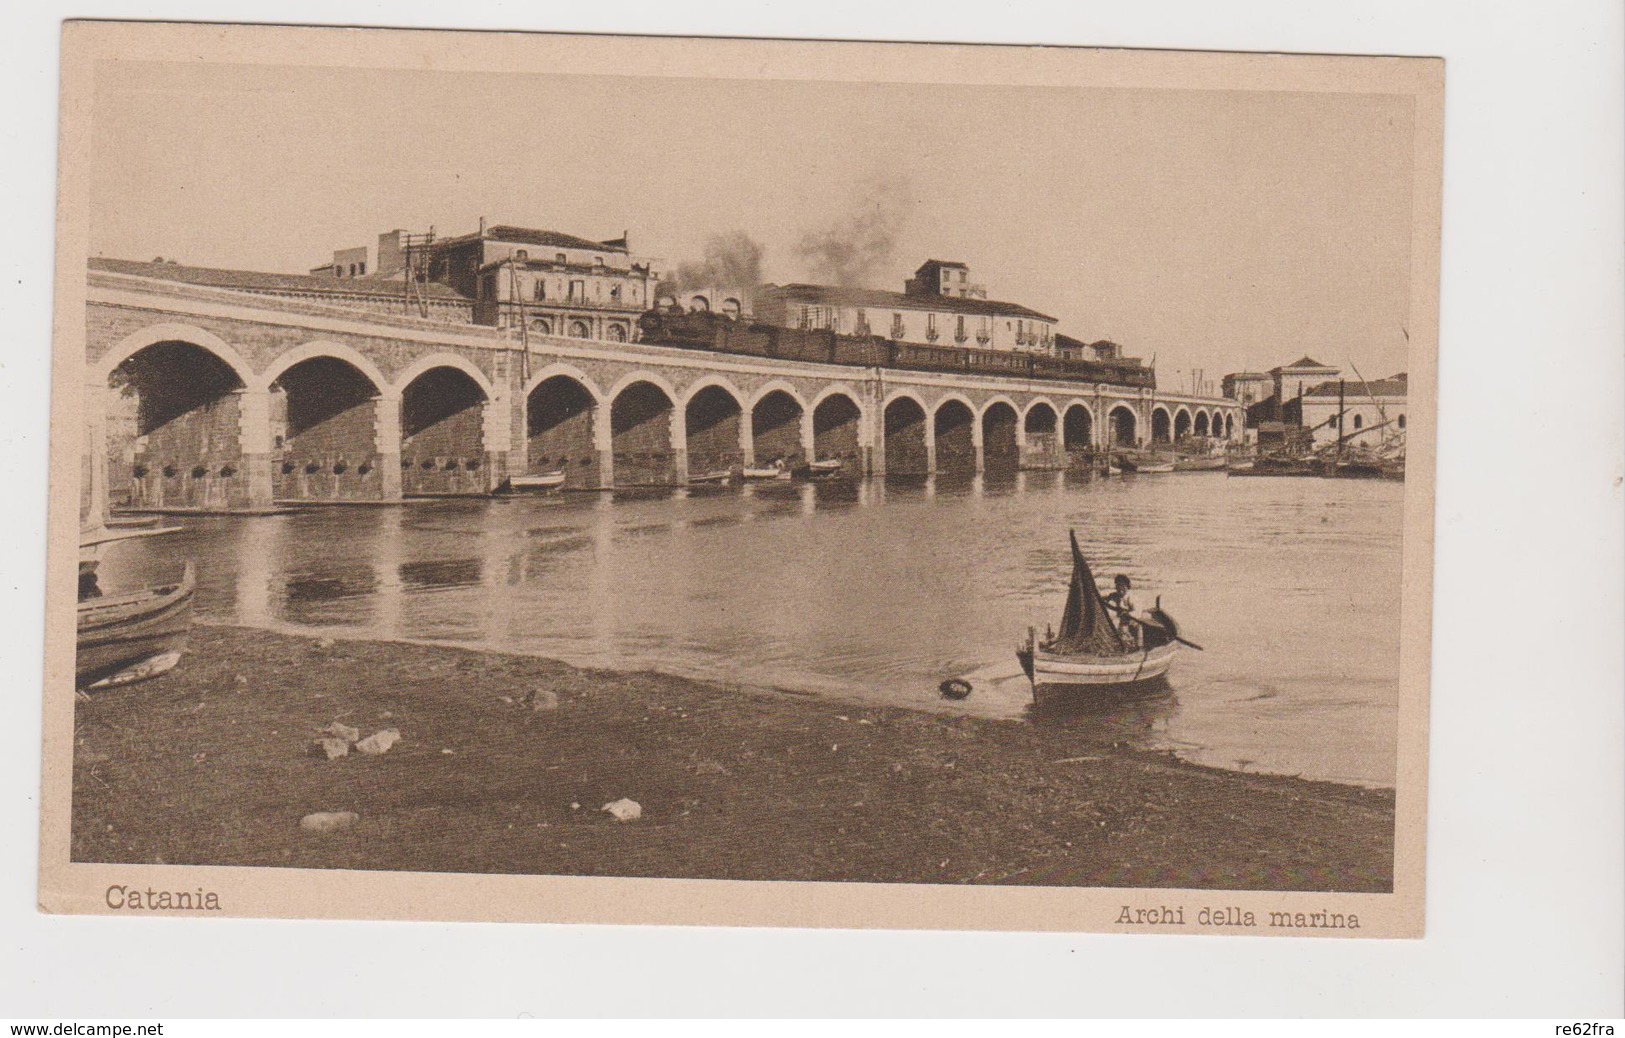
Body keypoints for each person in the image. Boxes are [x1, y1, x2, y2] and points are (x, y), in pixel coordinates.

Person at [1103, 573, 1138, 647]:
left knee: (1123, 635)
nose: (1120, 588)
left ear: (1127, 587)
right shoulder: (1113, 595)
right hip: (1118, 621)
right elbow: (1104, 599)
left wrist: (1128, 614)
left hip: (1129, 623)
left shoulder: (1130, 598)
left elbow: (1136, 612)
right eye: (1118, 585)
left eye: (1123, 586)